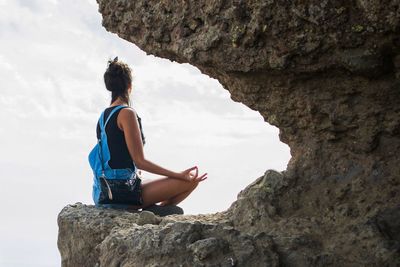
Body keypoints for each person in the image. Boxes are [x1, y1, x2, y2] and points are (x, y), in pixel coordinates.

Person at [91, 57, 207, 211]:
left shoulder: (102, 117)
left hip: (104, 192)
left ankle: (154, 210)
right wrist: (178, 175)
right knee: (191, 181)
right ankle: (153, 213)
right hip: (122, 193)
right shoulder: (126, 113)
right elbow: (140, 162)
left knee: (154, 182)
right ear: (129, 87)